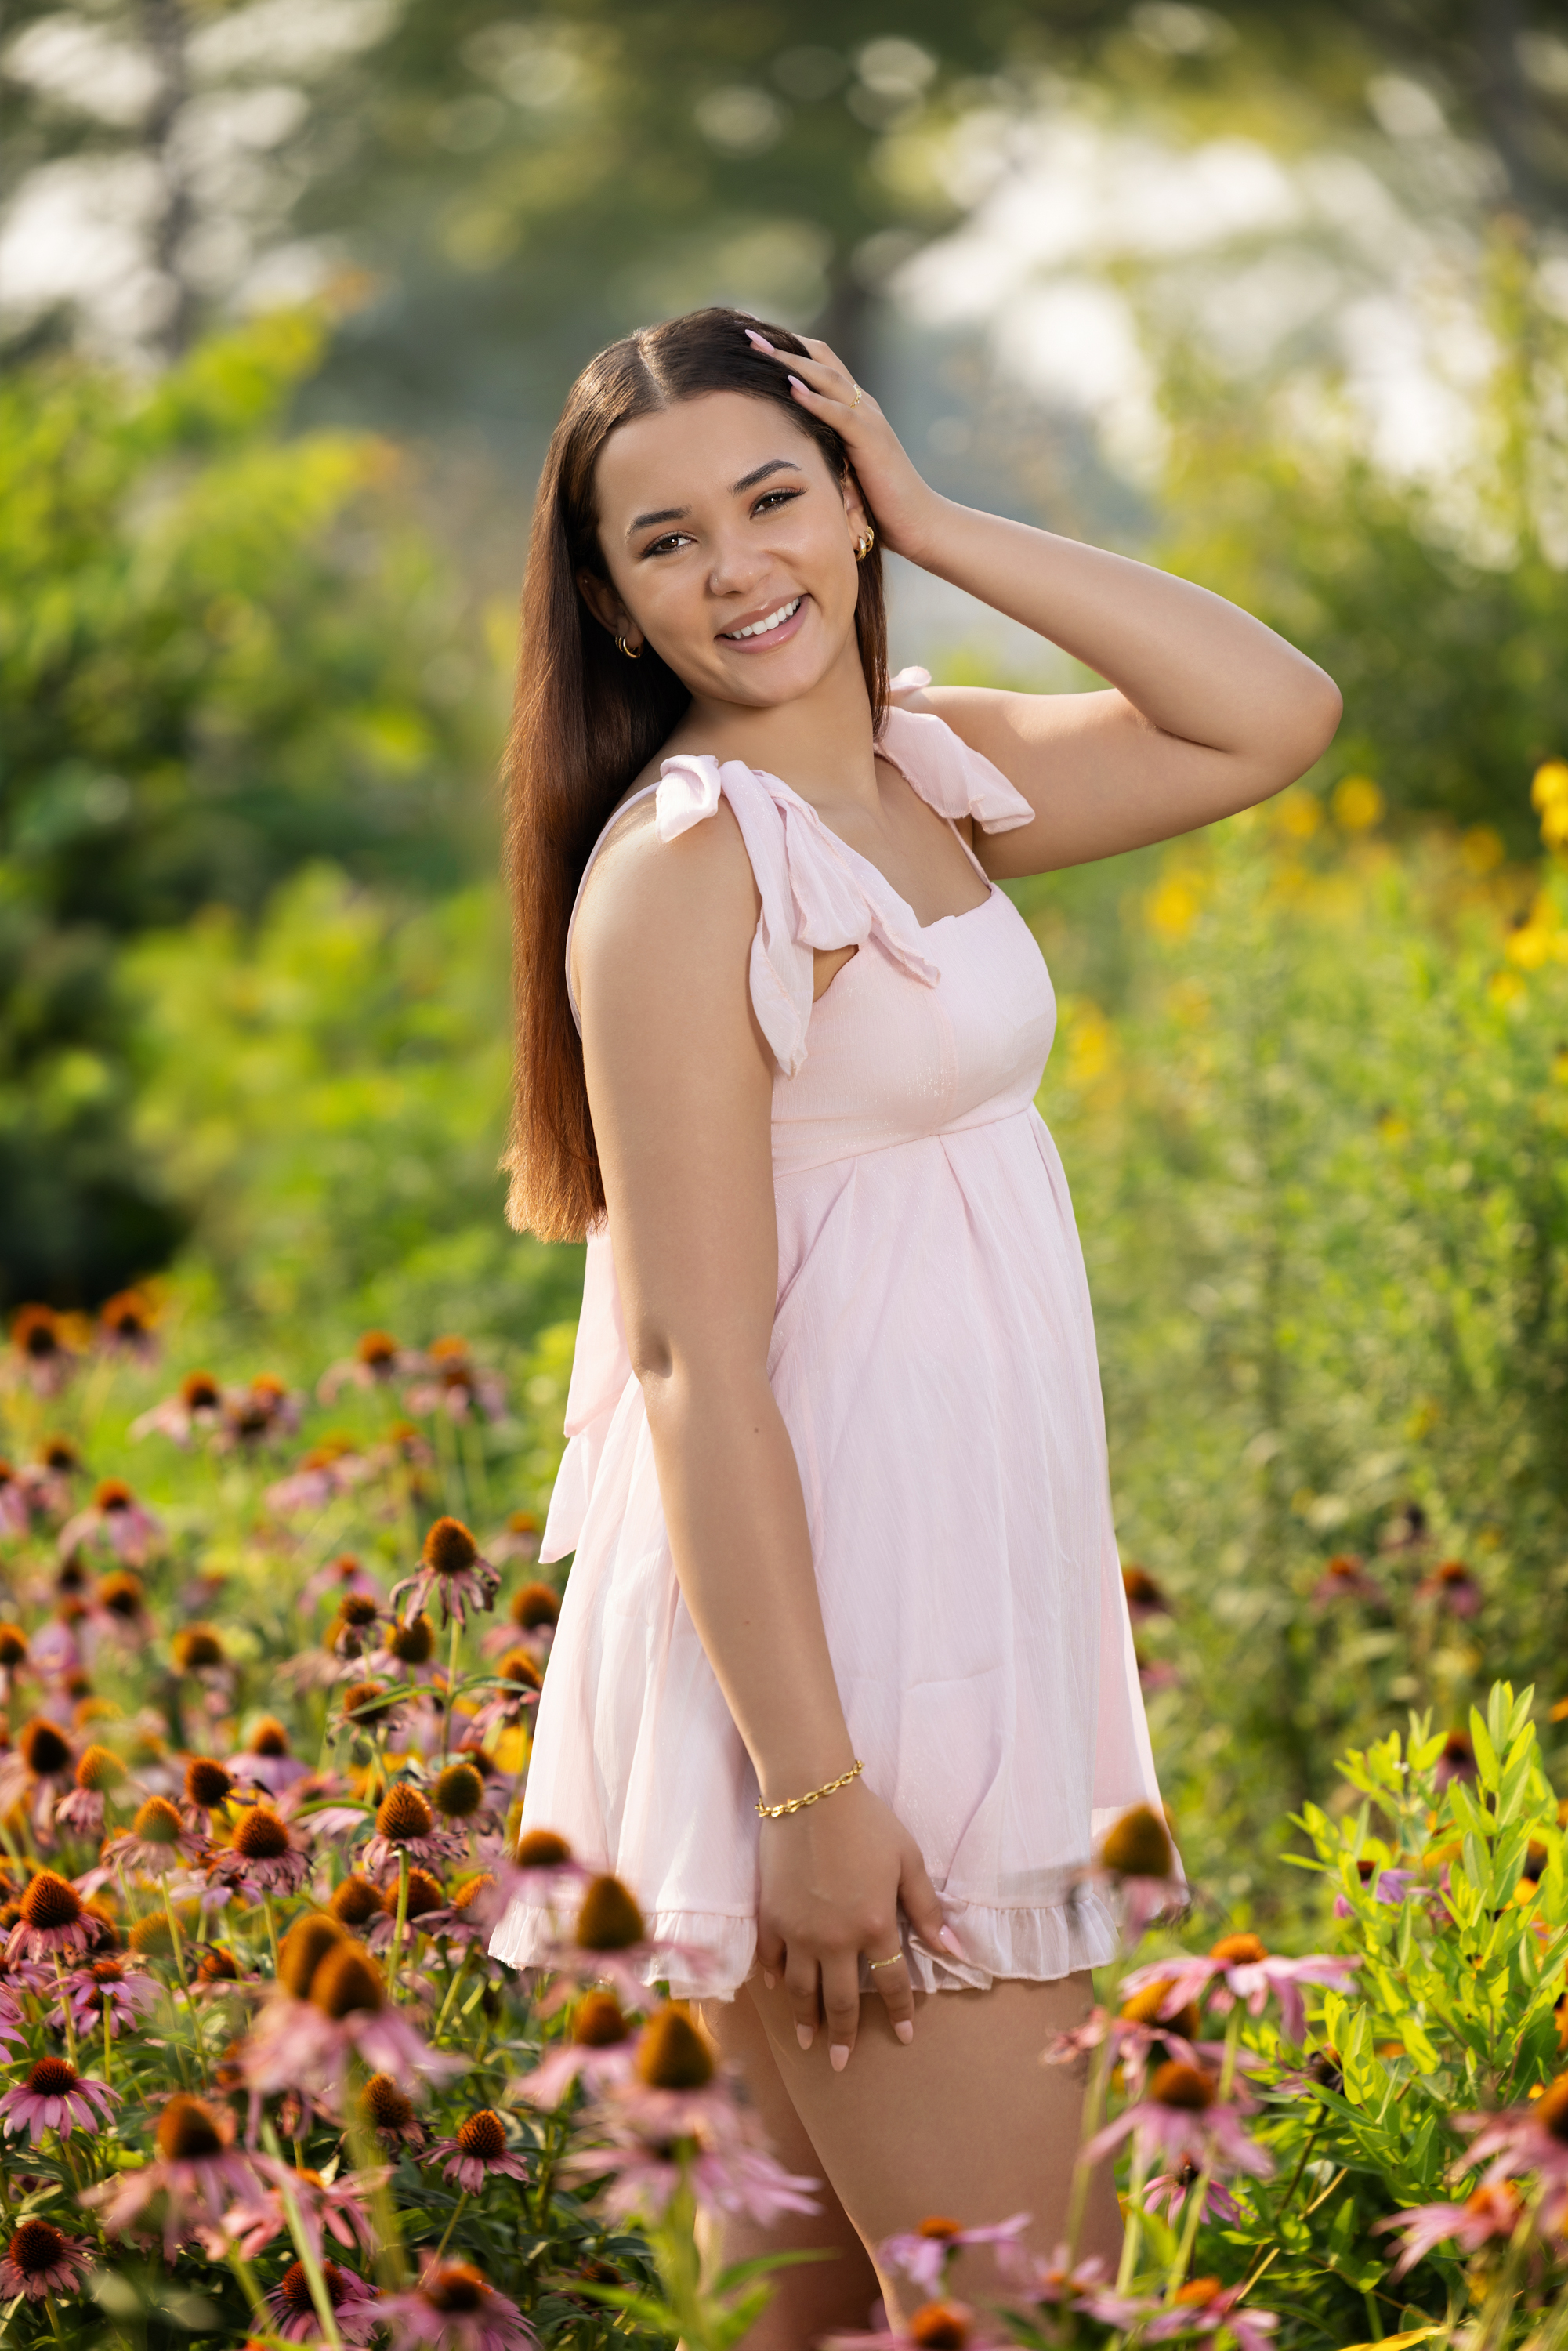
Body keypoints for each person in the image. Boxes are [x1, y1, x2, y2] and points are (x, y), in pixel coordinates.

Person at [491, 305, 1341, 2342]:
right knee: (1026, 2307)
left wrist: (939, 515)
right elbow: (691, 1363)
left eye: (776, 498)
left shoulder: (918, 770)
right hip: (835, 1664)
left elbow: (1270, 711)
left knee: (844, 2322)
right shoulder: (690, 869)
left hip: (950, 1598)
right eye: (666, 541)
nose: (736, 568)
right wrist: (811, 1792)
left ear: (848, 502)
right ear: (608, 608)